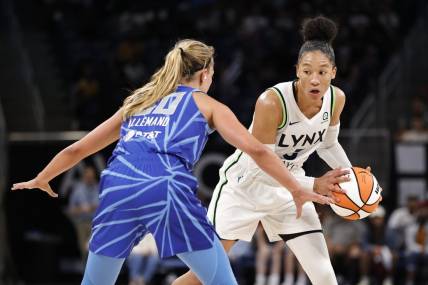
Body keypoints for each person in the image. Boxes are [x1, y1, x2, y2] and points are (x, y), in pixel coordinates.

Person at [12, 39, 333, 285]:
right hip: (163, 186)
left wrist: (42, 177)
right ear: (205, 74)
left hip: (117, 187)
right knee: (220, 280)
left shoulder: (138, 102)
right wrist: (295, 186)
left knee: (95, 281)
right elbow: (259, 151)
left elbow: (77, 150)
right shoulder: (207, 104)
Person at [174, 16, 364, 285]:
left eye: (322, 72)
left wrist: (351, 176)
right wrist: (314, 183)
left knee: (325, 276)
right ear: (297, 70)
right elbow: (259, 165)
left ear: (333, 72)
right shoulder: (272, 101)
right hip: (245, 186)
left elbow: (329, 144)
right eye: (307, 70)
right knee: (203, 275)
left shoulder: (336, 99)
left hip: (289, 191)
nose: (314, 79)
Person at [67, 165, 100, 260]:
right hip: (81, 222)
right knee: (83, 248)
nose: (89, 179)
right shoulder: (78, 190)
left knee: (94, 248)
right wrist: (81, 209)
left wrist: (91, 207)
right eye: (88, 177)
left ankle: (96, 272)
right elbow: (71, 209)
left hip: (95, 224)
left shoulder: (98, 188)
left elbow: (102, 206)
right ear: (84, 177)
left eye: (91, 177)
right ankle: (85, 272)